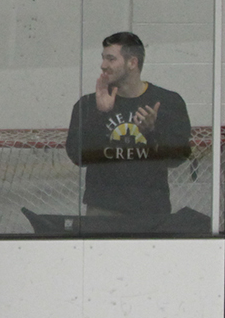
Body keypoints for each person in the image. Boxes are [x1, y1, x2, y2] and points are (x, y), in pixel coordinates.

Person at [65, 32, 192, 223]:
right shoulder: (88, 104)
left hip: (152, 209)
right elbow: (78, 156)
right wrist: (100, 115)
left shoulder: (167, 101)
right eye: (103, 58)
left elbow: (177, 158)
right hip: (103, 210)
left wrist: (151, 132)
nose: (103, 65)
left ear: (132, 63)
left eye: (111, 59)